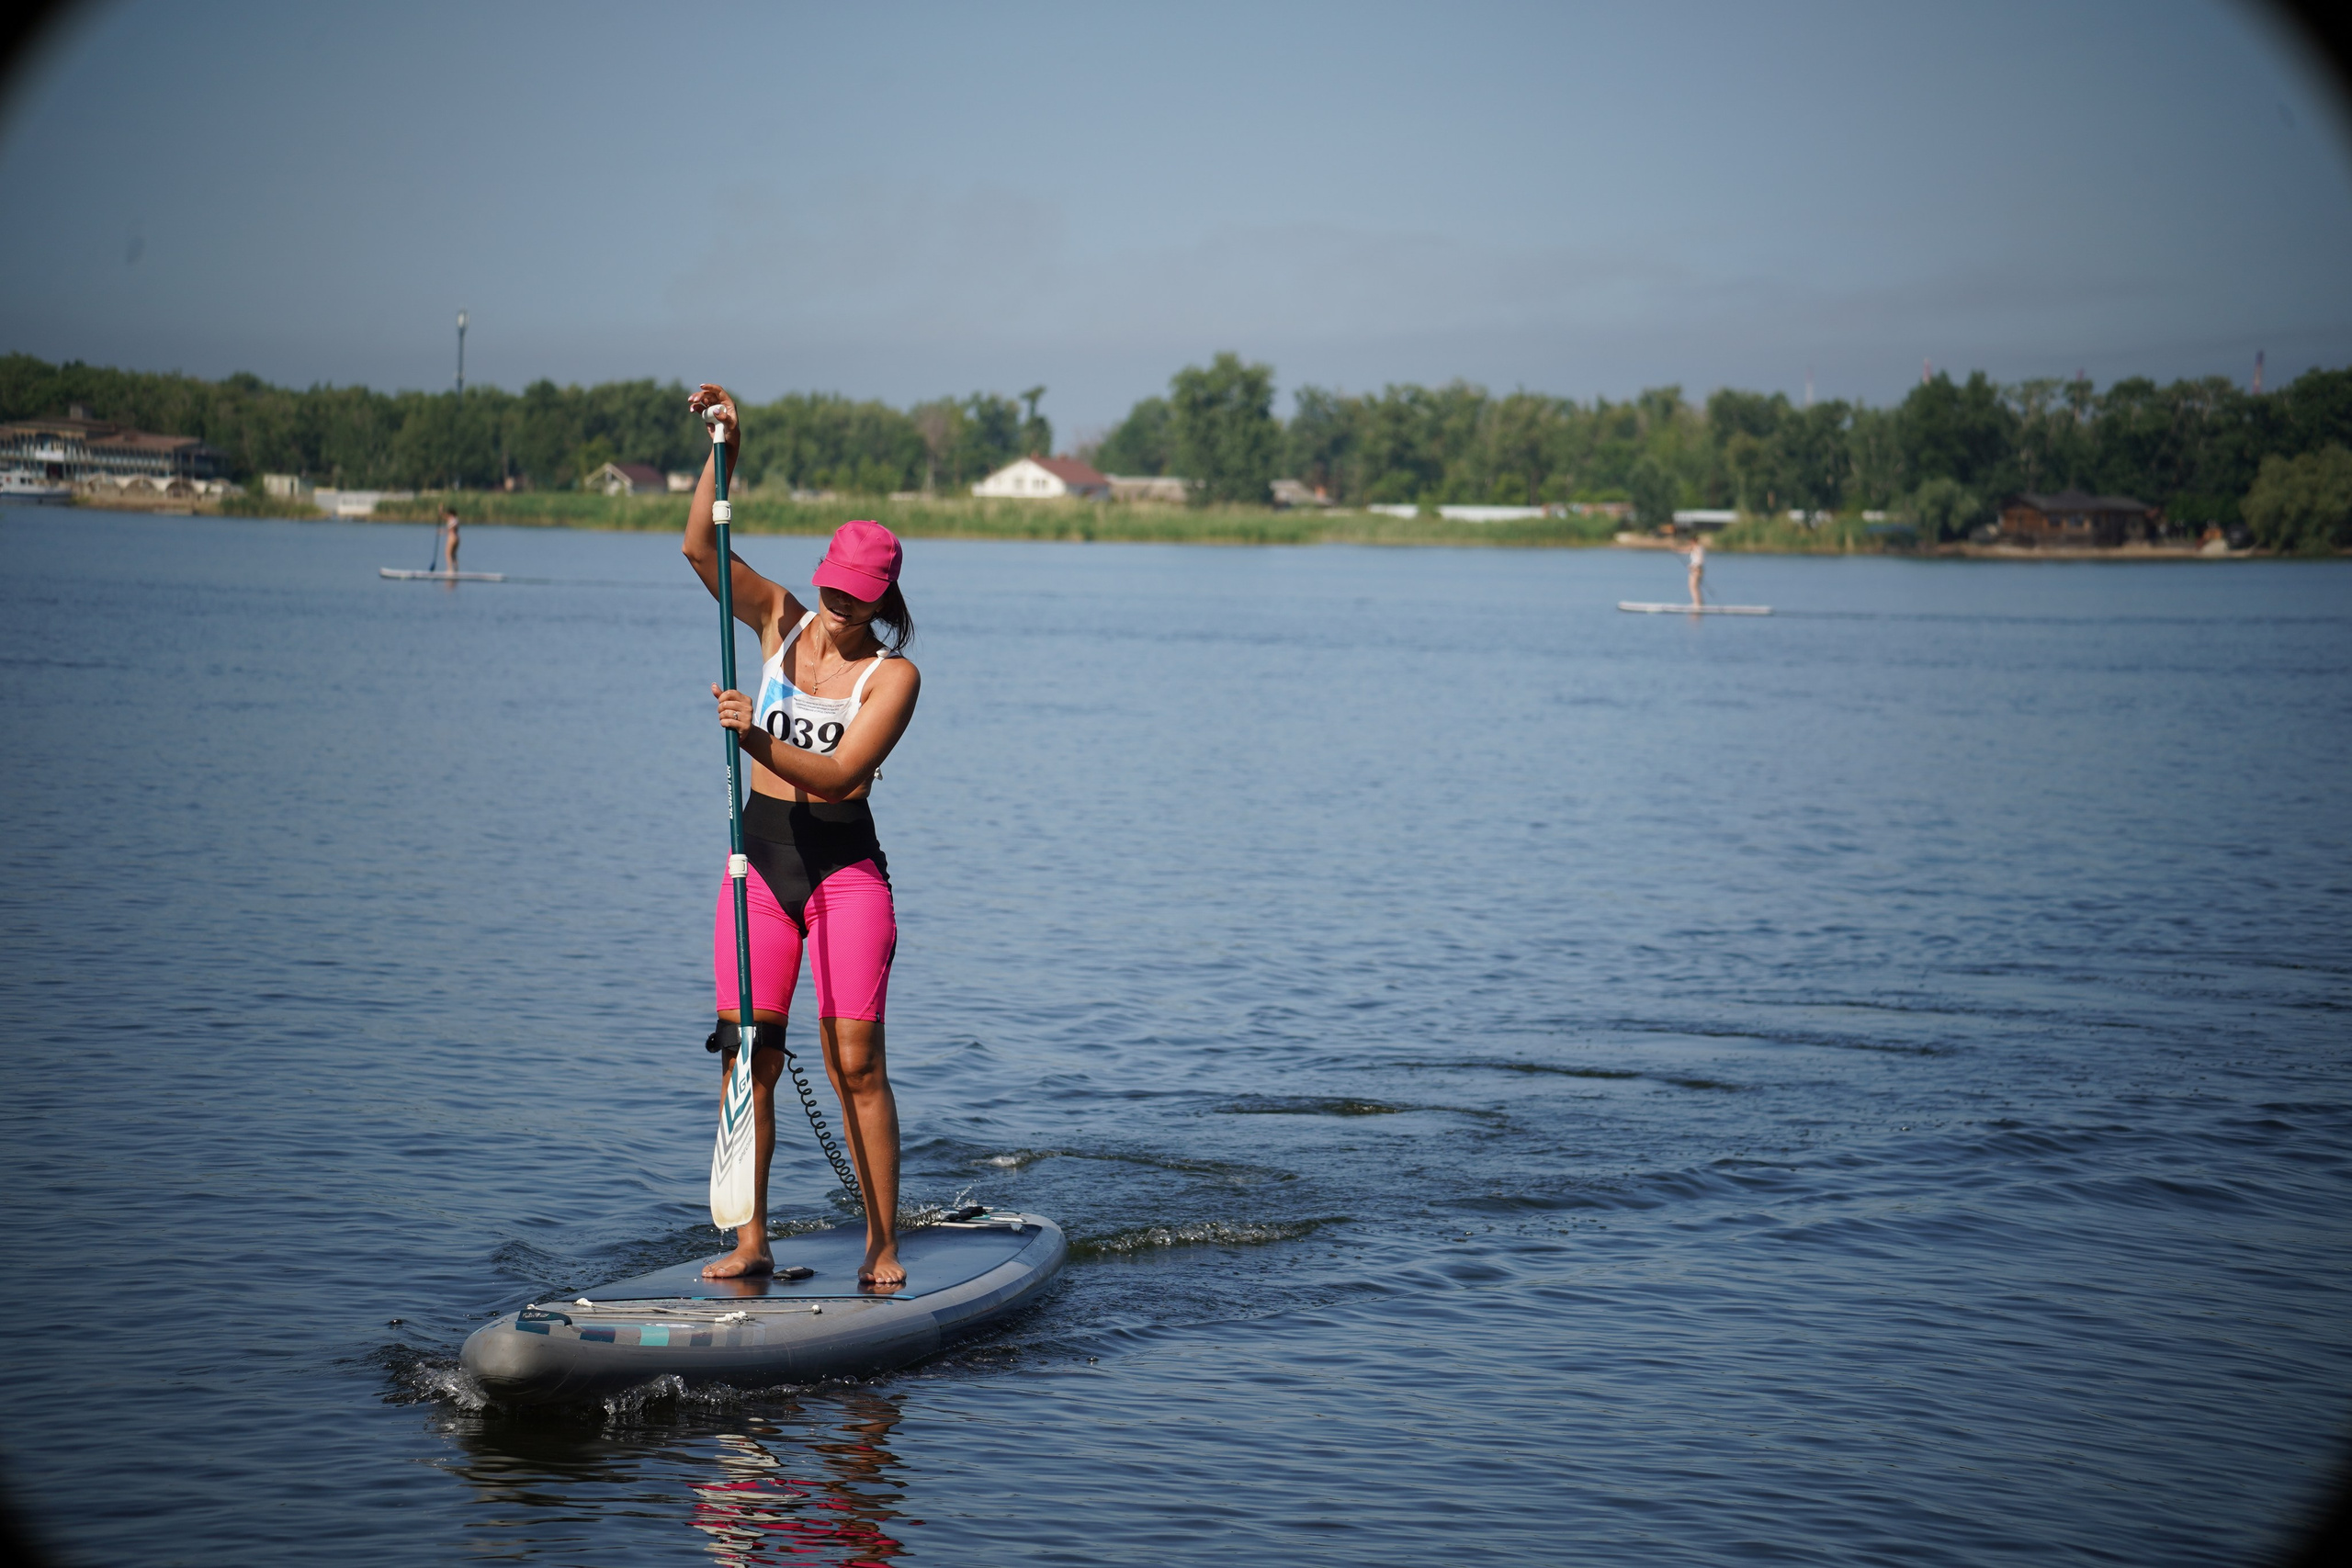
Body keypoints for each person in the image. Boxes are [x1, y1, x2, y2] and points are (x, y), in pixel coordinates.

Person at [683, 382, 922, 1288]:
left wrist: (756, 735)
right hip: (760, 864)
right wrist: (726, 453)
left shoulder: (893, 678)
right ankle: (750, 1242)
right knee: (751, 1054)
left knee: (854, 1060)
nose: (836, 606)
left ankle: (882, 1244)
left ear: (882, 600)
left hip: (843, 869)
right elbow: (700, 547)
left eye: (855, 600)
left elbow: (840, 776)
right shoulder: (779, 618)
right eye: (830, 588)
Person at [1679, 532, 1706, 607]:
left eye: (1689, 541)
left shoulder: (1697, 548)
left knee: (1693, 586)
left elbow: (1700, 560)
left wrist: (1693, 566)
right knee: (1695, 586)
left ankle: (1697, 603)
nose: (1688, 542)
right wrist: (1676, 549)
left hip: (1696, 570)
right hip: (1697, 569)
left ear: (1692, 540)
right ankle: (1699, 602)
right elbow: (1685, 550)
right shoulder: (1696, 547)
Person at [438, 506, 461, 575]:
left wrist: (441, 531)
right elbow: (443, 516)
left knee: (448, 553)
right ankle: (456, 570)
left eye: (449, 514)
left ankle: (450, 570)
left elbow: (451, 530)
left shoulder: (452, 520)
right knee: (453, 554)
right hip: (457, 538)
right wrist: (440, 511)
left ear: (451, 514)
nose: (448, 515)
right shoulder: (456, 520)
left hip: (452, 538)